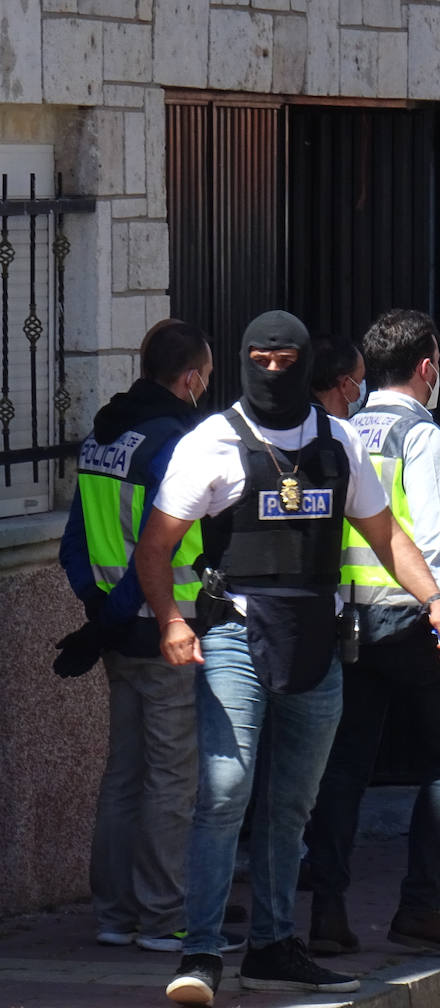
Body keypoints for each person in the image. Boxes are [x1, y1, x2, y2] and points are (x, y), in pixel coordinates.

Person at [133, 309, 440, 1007]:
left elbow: (387, 536)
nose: (275, 372)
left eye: (288, 359)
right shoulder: (213, 442)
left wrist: (436, 601)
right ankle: (199, 954)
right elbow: (156, 545)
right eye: (262, 359)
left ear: (306, 358)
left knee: (293, 803)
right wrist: (170, 618)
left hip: (319, 637)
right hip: (233, 635)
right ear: (243, 360)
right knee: (225, 790)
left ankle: (275, 946)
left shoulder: (337, 440)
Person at [305, 308, 440, 958]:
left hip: (350, 620)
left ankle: (326, 910)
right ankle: (421, 907)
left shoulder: (346, 426)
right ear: (428, 367)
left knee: (346, 766)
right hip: (412, 616)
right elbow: (436, 537)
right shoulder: (420, 433)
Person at [56, 319, 219, 952]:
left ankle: (116, 914)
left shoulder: (104, 437)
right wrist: (127, 610)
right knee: (172, 779)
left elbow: (75, 543)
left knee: (124, 773)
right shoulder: (176, 443)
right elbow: (156, 549)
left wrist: (102, 614)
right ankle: (163, 917)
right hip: (166, 630)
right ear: (192, 378)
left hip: (120, 634)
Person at [309, 333, 367, 419]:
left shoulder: (290, 421)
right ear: (345, 384)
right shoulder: (339, 430)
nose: (361, 392)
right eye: (359, 381)